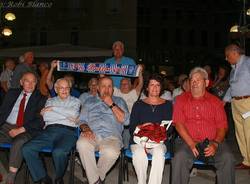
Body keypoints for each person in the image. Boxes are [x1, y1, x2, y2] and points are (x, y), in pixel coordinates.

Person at [172, 67, 235, 184]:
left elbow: (222, 126)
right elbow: (178, 124)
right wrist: (191, 143)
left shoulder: (216, 102)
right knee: (179, 157)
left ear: (206, 83)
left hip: (212, 141)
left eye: (198, 80)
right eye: (192, 80)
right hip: (187, 141)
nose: (194, 82)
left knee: (227, 157)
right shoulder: (181, 100)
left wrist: (216, 143)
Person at [22, 78, 81, 184]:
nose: (64, 90)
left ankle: (59, 177)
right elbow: (46, 117)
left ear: (70, 89)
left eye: (67, 88)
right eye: (61, 88)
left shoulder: (76, 101)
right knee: (27, 148)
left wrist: (53, 109)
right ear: (56, 89)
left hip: (68, 132)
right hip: (50, 131)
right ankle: (42, 177)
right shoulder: (50, 100)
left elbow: (74, 114)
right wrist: (65, 115)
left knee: (59, 152)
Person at [76, 76, 129, 184]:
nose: (106, 89)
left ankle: (93, 180)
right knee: (82, 144)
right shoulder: (89, 101)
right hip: (92, 134)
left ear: (113, 89)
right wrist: (86, 129)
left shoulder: (119, 101)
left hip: (112, 136)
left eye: (109, 86)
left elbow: (126, 121)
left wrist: (111, 104)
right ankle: (97, 181)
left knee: (111, 152)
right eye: (103, 86)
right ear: (98, 88)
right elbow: (82, 120)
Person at [0, 72, 47, 184]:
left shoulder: (41, 98)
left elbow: (40, 121)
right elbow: (2, 112)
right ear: (21, 82)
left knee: (19, 142)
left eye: (33, 81)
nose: (30, 84)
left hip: (26, 129)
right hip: (6, 126)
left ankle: (11, 178)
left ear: (36, 83)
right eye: (27, 81)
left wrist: (20, 129)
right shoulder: (11, 93)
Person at [129, 74, 172, 184]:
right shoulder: (138, 104)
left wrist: (157, 129)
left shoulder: (168, 105)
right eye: (152, 85)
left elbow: (170, 128)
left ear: (161, 88)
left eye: (158, 85)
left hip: (159, 141)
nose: (155, 87)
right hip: (139, 140)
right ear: (147, 87)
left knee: (159, 154)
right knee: (139, 154)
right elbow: (132, 127)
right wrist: (142, 127)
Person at [223, 44, 250, 169]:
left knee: (249, 132)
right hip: (235, 103)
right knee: (240, 133)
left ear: (234, 53)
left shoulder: (248, 62)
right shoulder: (234, 68)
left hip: (247, 102)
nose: (226, 59)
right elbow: (232, 87)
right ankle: (246, 161)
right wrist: (225, 100)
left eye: (227, 56)